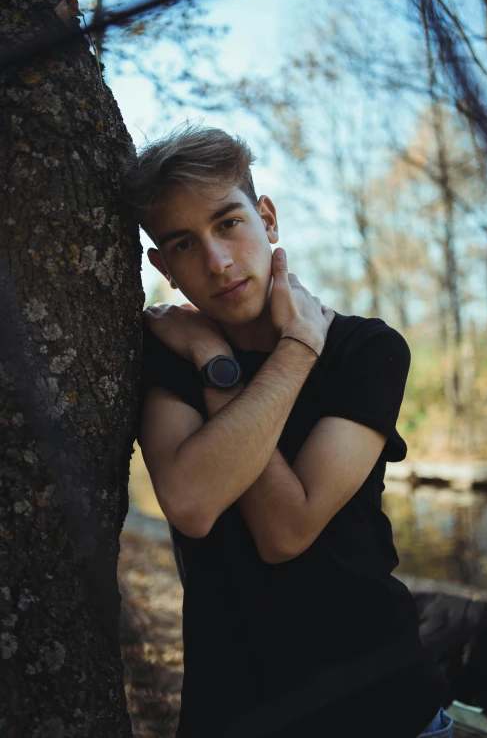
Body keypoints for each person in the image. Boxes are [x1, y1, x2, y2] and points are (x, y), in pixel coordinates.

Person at [124, 123, 453, 737]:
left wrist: (234, 363)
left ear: (267, 218)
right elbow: (192, 502)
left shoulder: (367, 349)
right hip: (233, 712)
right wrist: (263, 352)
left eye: (228, 223)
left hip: (383, 707)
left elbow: (287, 530)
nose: (218, 262)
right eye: (185, 245)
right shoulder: (164, 354)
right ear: (163, 265)